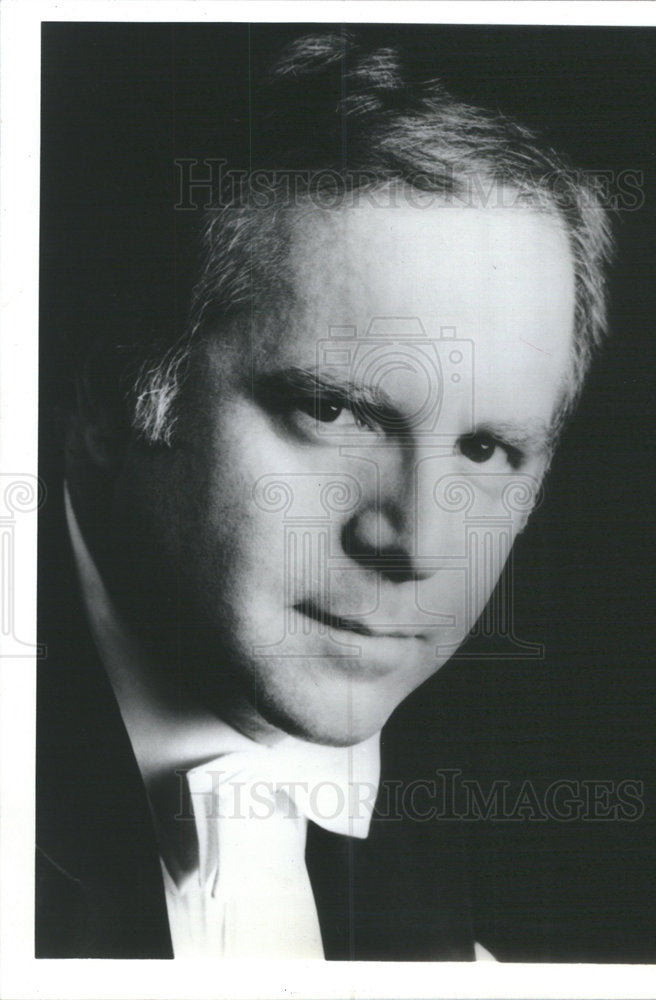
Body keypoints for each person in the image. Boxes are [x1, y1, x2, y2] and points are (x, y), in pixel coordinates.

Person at [35, 30, 612, 960]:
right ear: (112, 401)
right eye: (335, 410)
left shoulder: (548, 904)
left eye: (486, 446)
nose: (419, 542)